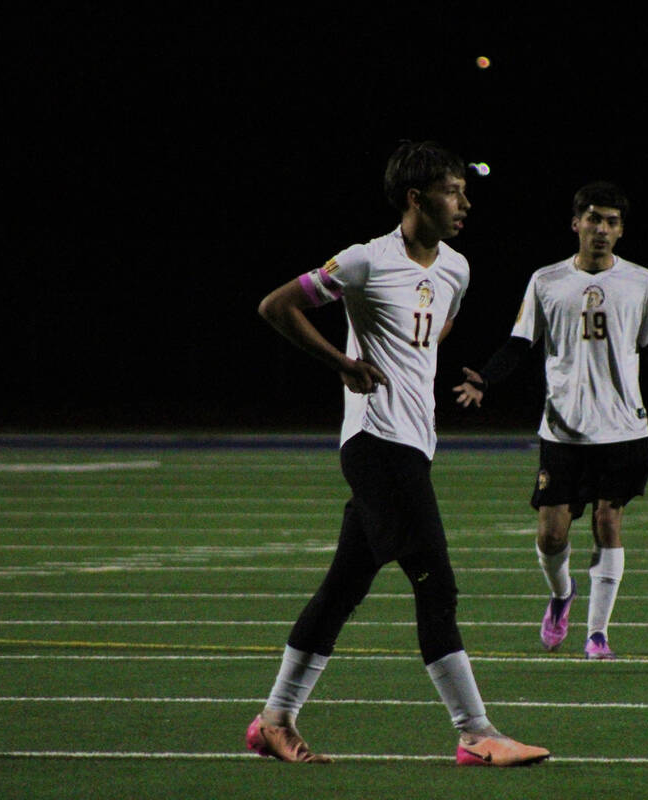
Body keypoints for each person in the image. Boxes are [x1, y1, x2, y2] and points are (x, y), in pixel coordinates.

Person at [248, 140, 549, 767]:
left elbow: (432, 327)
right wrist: (344, 363)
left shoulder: (457, 269)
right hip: (375, 445)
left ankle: (274, 719)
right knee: (436, 585)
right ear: (416, 199)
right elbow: (277, 306)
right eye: (452, 191)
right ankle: (475, 733)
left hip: (415, 443)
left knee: (342, 589)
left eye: (465, 190)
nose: (464, 202)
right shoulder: (364, 260)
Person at [454, 181, 648, 659]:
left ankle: (597, 634)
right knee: (551, 534)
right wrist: (485, 380)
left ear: (621, 230)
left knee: (607, 522)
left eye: (611, 221)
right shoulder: (546, 280)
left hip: (623, 426)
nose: (601, 229)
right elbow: (519, 343)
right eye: (593, 218)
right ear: (576, 224)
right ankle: (562, 594)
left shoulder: (641, 281)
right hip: (564, 428)